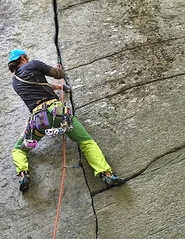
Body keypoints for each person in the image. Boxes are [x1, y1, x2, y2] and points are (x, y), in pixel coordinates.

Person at [8, 49, 125, 192]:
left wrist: (58, 87)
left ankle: (23, 174)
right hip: (58, 114)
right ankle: (107, 175)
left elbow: (38, 85)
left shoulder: (15, 81)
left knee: (18, 149)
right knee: (86, 142)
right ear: (23, 57)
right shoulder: (33, 64)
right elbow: (58, 75)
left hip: (39, 122)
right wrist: (59, 69)